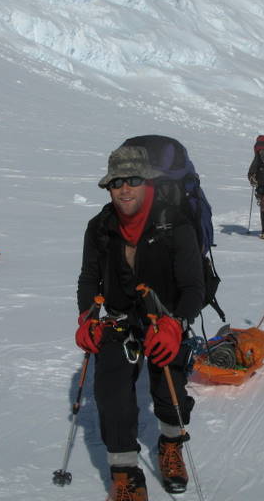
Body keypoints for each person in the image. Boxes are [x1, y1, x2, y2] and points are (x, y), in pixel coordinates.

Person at [76, 144, 205, 501]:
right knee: (111, 391)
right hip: (118, 321)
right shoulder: (100, 227)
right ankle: (126, 474)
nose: (124, 188)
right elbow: (88, 279)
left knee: (171, 390)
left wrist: (176, 324)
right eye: (116, 182)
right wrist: (87, 317)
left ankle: (171, 444)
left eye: (132, 180)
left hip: (166, 320)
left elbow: (194, 286)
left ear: (147, 182)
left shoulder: (175, 225)